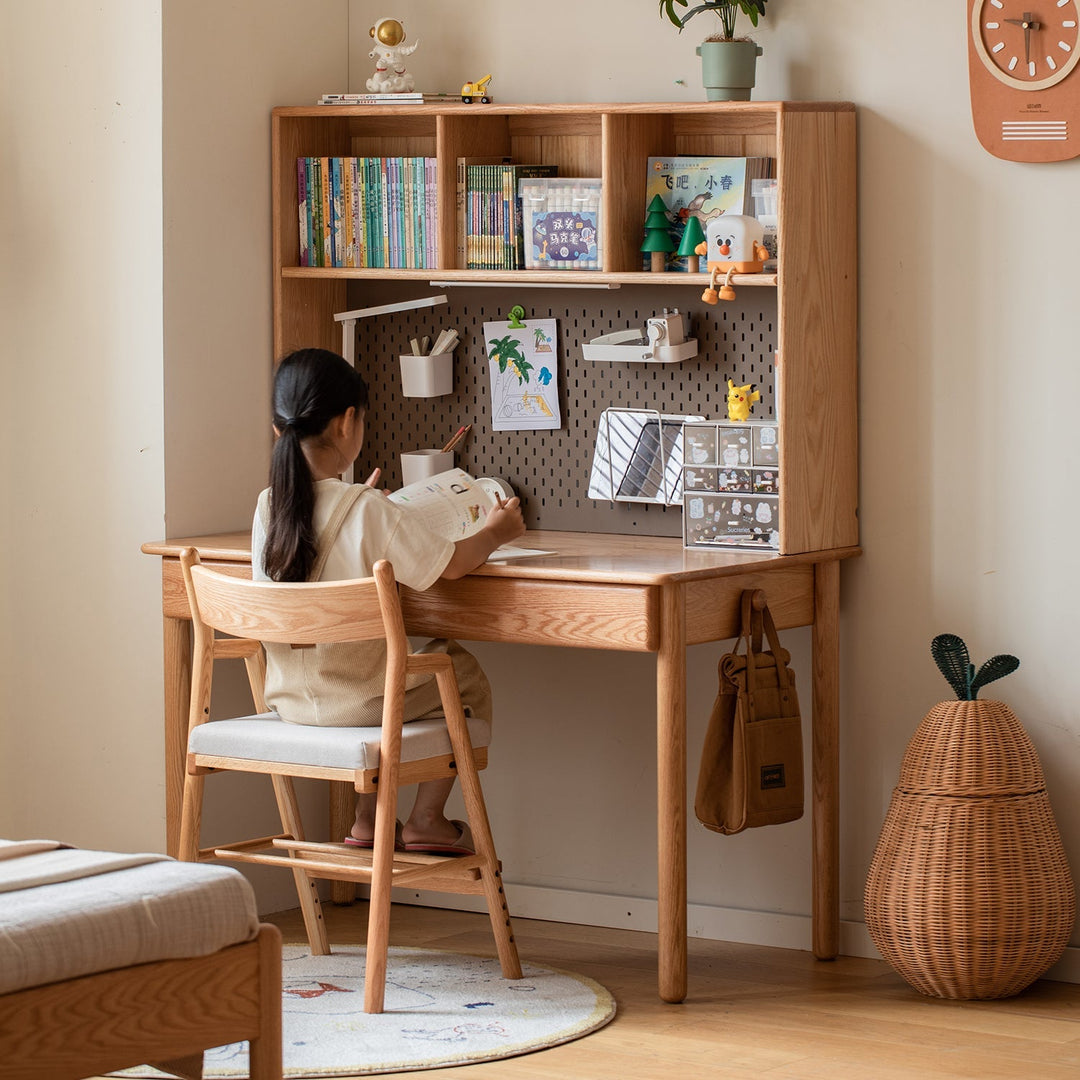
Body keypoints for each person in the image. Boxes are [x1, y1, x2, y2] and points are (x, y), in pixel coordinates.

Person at [251, 347, 525, 855]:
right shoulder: (367, 510)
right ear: (348, 423)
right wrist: (496, 531)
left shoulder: (269, 507)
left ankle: (368, 818)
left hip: (290, 701)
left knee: (390, 668)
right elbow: (454, 565)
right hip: (361, 703)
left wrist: (368, 506)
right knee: (460, 673)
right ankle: (426, 818)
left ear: (278, 430)